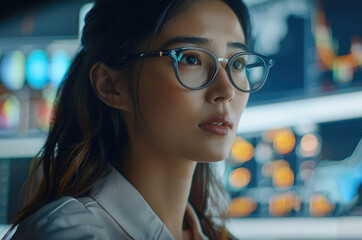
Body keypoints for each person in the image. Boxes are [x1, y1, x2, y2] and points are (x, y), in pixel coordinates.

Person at [3, 0, 273, 239]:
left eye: (237, 64)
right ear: (111, 86)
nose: (226, 91)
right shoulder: (69, 233)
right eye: (191, 59)